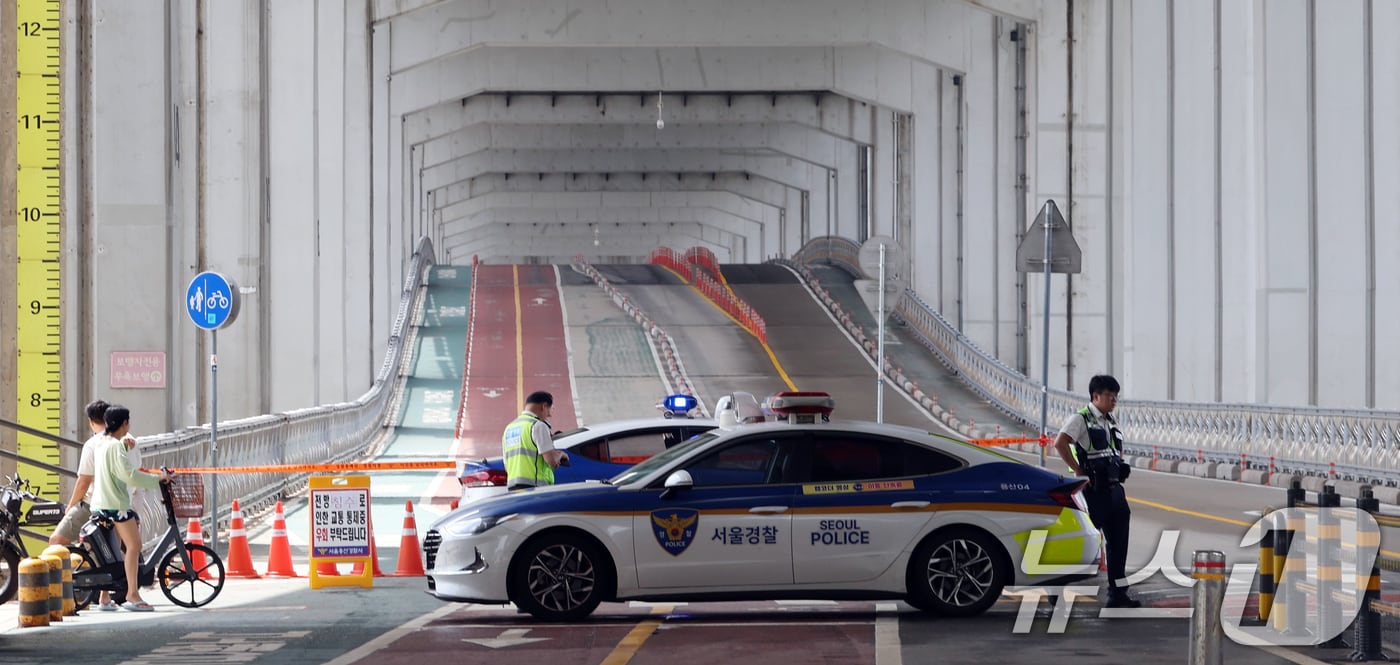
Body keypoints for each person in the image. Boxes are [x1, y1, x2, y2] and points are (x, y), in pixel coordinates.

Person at [1053, 374, 1140, 609]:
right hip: (1092, 492)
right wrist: (1079, 470)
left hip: (1114, 491)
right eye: (1109, 395)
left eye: (1116, 396)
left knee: (1119, 545)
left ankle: (1118, 594)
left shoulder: (1110, 422)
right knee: (1078, 542)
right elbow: (1060, 443)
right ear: (1095, 396)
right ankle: (1056, 590)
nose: (1114, 400)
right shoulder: (1080, 419)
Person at [89, 405, 172, 611]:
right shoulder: (116, 446)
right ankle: (133, 595)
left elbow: (112, 465)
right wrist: (158, 479)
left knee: (111, 552)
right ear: (124, 423)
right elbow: (129, 475)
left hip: (100, 504)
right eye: (128, 421)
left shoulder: (101, 443)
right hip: (117, 506)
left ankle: (105, 597)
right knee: (134, 546)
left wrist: (124, 447)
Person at [502, 391, 569, 491]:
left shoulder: (509, 428)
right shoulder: (537, 425)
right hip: (535, 488)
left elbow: (506, 464)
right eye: (548, 411)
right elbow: (551, 461)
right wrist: (561, 455)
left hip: (513, 489)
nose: (549, 416)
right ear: (544, 406)